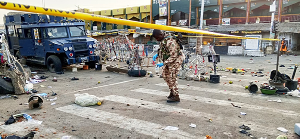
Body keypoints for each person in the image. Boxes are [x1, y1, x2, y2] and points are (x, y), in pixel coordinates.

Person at [152, 29, 185, 103]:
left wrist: (164, 63)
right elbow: (163, 49)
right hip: (169, 60)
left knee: (172, 77)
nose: (157, 39)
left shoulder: (170, 41)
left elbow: (174, 55)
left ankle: (176, 96)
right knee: (165, 75)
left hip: (176, 59)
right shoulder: (163, 39)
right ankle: (172, 91)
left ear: (161, 34)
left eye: (157, 38)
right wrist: (157, 54)